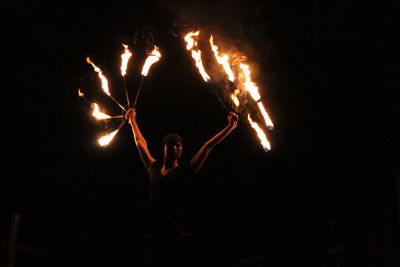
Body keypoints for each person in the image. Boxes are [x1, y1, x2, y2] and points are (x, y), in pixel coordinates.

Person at [125, 107, 239, 265]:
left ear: (181, 149)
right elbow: (140, 144)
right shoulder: (154, 168)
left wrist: (230, 127)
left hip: (178, 231)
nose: (174, 148)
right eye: (170, 144)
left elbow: (208, 146)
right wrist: (132, 121)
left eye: (178, 145)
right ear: (164, 147)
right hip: (155, 230)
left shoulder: (185, 169)